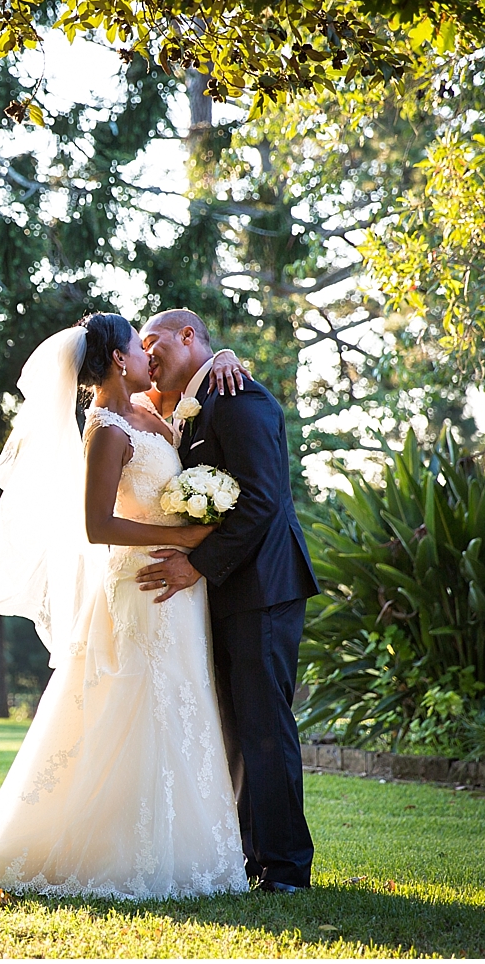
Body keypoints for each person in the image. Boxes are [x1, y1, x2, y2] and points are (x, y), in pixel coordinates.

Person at [0, 313, 251, 900]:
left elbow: (200, 373)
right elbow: (97, 525)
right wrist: (184, 539)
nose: (148, 357)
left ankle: (190, 850)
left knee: (183, 704)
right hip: (142, 585)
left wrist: (227, 354)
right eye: (139, 346)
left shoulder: (151, 409)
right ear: (115, 360)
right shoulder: (106, 428)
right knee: (137, 708)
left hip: (180, 589)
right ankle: (119, 851)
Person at [134, 308, 320, 893]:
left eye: (155, 340)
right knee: (238, 732)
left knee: (265, 728)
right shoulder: (193, 405)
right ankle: (252, 859)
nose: (148, 352)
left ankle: (286, 867)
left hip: (264, 588)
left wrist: (196, 564)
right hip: (229, 593)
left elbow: (262, 501)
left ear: (189, 337)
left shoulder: (238, 397)